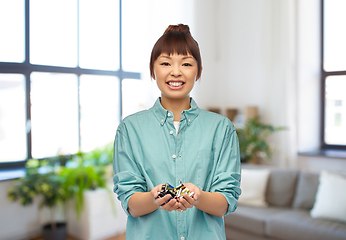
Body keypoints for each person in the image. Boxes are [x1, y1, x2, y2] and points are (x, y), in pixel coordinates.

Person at [113, 24, 241, 240]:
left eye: (186, 64)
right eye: (165, 63)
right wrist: (154, 198)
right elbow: (131, 204)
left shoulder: (222, 129)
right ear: (153, 70)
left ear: (198, 71)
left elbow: (226, 202)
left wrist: (198, 197)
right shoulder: (130, 129)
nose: (175, 72)